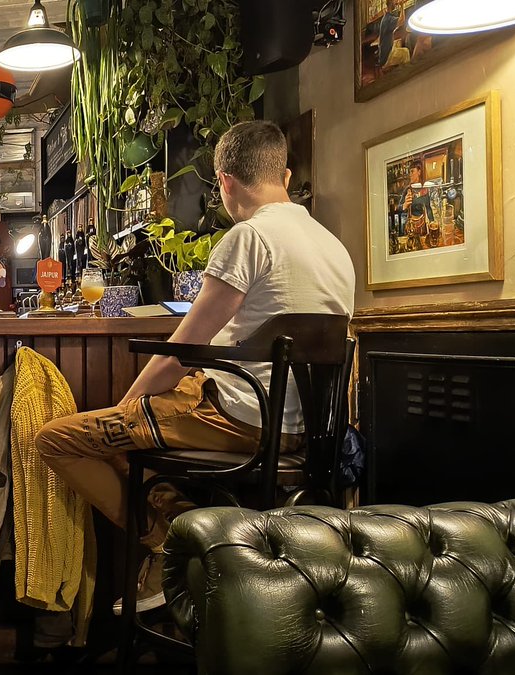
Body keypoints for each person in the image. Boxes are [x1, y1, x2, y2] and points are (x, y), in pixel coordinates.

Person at [35, 120, 354, 615]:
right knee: (135, 432)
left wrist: (127, 408)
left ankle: (175, 543)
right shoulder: (335, 247)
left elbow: (186, 343)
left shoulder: (250, 238)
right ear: (285, 177)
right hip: (310, 434)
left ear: (224, 181)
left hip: (240, 422)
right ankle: (198, 534)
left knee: (57, 438)